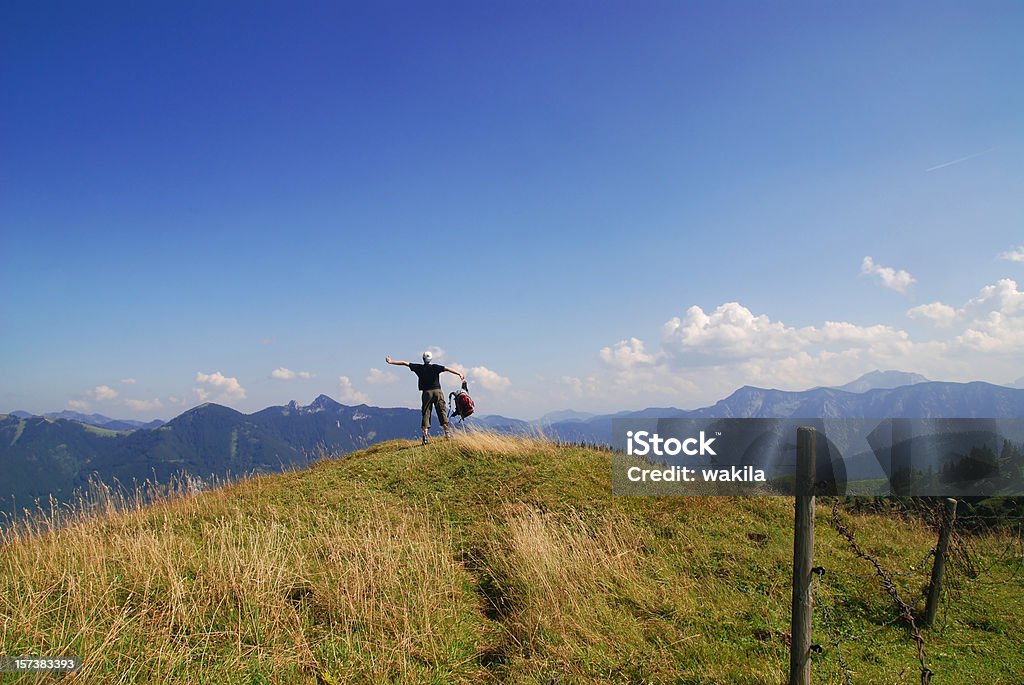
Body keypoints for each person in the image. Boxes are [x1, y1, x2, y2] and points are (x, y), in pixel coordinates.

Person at [386, 351, 465, 444]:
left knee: (426, 412)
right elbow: (447, 369)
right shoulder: (435, 367)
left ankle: (425, 437)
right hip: (437, 391)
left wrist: (391, 362)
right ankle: (447, 433)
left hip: (426, 393)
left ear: (423, 359)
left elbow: (404, 363)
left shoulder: (418, 368)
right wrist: (459, 373)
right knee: (441, 410)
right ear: (431, 358)